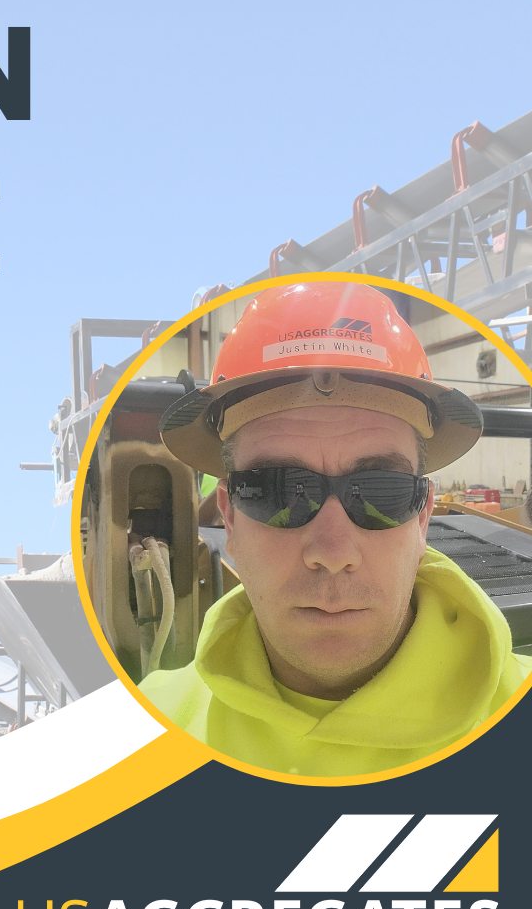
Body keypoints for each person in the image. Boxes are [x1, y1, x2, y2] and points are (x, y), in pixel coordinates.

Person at [140, 280, 532, 777]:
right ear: (231, 518)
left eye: (381, 492)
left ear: (423, 517)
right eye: (278, 492)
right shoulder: (135, 739)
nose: (332, 550)